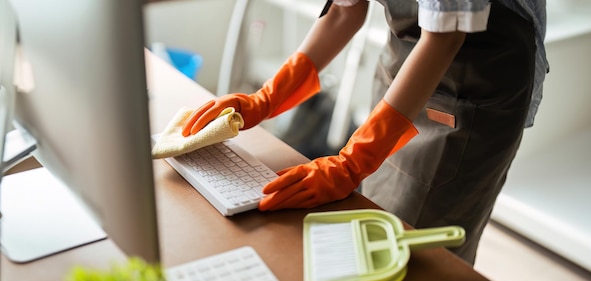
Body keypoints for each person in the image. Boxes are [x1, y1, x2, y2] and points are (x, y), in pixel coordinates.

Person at [182, 0, 548, 265]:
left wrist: (352, 162)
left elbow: (446, 35)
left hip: (476, 69)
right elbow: (344, 9)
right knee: (375, 216)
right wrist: (265, 99)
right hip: (408, 58)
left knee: (419, 252)